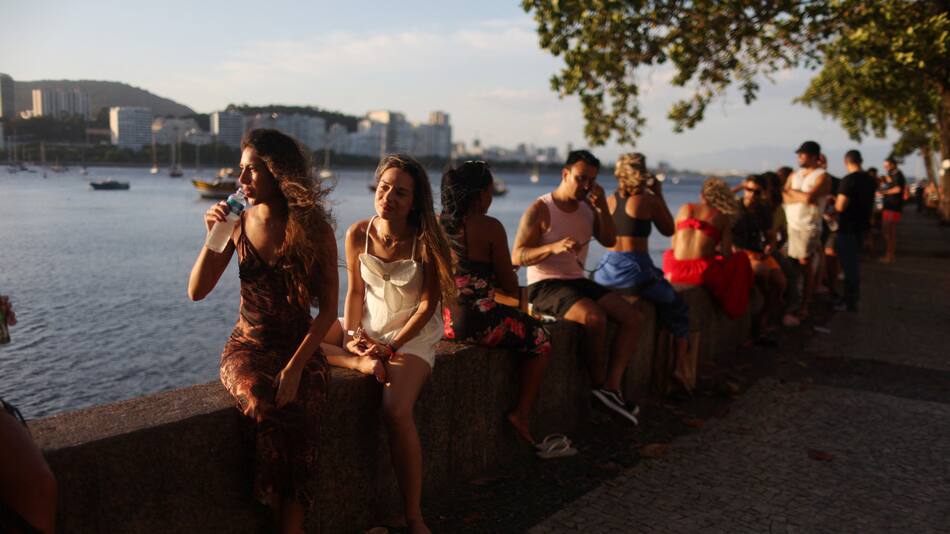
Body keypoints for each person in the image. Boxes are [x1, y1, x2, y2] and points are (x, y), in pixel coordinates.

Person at [188, 129, 338, 534]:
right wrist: (211, 239)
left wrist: (294, 369)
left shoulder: (315, 229)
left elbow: (328, 312)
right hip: (247, 347)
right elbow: (197, 291)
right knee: (261, 403)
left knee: (304, 415)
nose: (243, 181)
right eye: (242, 171)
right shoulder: (237, 222)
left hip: (300, 348)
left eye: (253, 171)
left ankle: (292, 526)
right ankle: (276, 520)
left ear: (278, 172)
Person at [322, 154, 453, 534]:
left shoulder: (427, 240)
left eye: (400, 192)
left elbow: (428, 306)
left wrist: (392, 346)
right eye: (383, 187)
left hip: (410, 335)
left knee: (395, 410)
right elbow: (355, 293)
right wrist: (350, 340)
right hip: (366, 329)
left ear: (415, 201)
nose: (388, 197)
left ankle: (414, 516)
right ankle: (356, 363)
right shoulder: (357, 233)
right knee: (297, 339)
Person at [511, 150, 643, 424]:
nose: (586, 186)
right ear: (565, 174)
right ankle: (598, 387)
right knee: (594, 317)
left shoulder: (588, 208)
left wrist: (603, 208)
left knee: (632, 317)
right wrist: (552, 247)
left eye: (591, 181)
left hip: (577, 280)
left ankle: (612, 388)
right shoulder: (541, 208)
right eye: (581, 178)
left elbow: (608, 240)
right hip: (544, 284)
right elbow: (517, 256)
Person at [438, 161, 554, 445]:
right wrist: (502, 273)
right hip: (475, 322)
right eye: (489, 192)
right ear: (479, 195)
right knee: (541, 338)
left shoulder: (436, 223)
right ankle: (521, 413)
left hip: (443, 321)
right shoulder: (489, 226)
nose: (491, 198)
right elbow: (510, 288)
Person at [591, 153, 692, 392]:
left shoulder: (609, 200)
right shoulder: (647, 200)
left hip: (606, 270)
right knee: (678, 307)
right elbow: (669, 230)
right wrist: (659, 193)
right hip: (635, 271)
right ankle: (680, 366)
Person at [662, 178, 753, 319]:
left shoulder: (685, 208)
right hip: (701, 272)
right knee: (741, 259)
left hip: (673, 269)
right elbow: (727, 254)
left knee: (669, 254)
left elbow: (674, 244)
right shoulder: (722, 217)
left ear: (702, 195)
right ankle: (735, 311)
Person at [732, 174, 785, 339]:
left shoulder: (764, 210)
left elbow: (770, 236)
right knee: (763, 274)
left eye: (756, 192)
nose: (751, 195)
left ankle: (763, 316)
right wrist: (739, 187)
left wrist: (770, 247)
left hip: (759, 252)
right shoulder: (734, 208)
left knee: (781, 283)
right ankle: (758, 324)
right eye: (748, 190)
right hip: (740, 252)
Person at [782, 140, 831, 319]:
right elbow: (783, 195)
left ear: (813, 157)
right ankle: (794, 300)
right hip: (792, 224)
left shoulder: (822, 176)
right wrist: (801, 196)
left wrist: (793, 194)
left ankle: (805, 303)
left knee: (805, 263)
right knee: (792, 264)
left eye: (802, 154)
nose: (799, 157)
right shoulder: (795, 175)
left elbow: (810, 197)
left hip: (808, 226)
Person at [833, 150, 876, 312]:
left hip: (847, 228)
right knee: (854, 265)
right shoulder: (870, 180)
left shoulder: (848, 180)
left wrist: (835, 203)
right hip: (862, 228)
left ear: (846, 162)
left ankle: (850, 302)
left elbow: (840, 206)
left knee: (849, 267)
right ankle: (851, 299)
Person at [878, 157, 906, 263]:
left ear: (893, 164)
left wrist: (884, 192)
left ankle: (889, 256)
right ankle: (889, 255)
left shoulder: (897, 174)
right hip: (890, 207)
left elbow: (898, 188)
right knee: (888, 232)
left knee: (889, 232)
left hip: (893, 207)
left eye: (887, 165)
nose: (885, 167)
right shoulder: (892, 174)